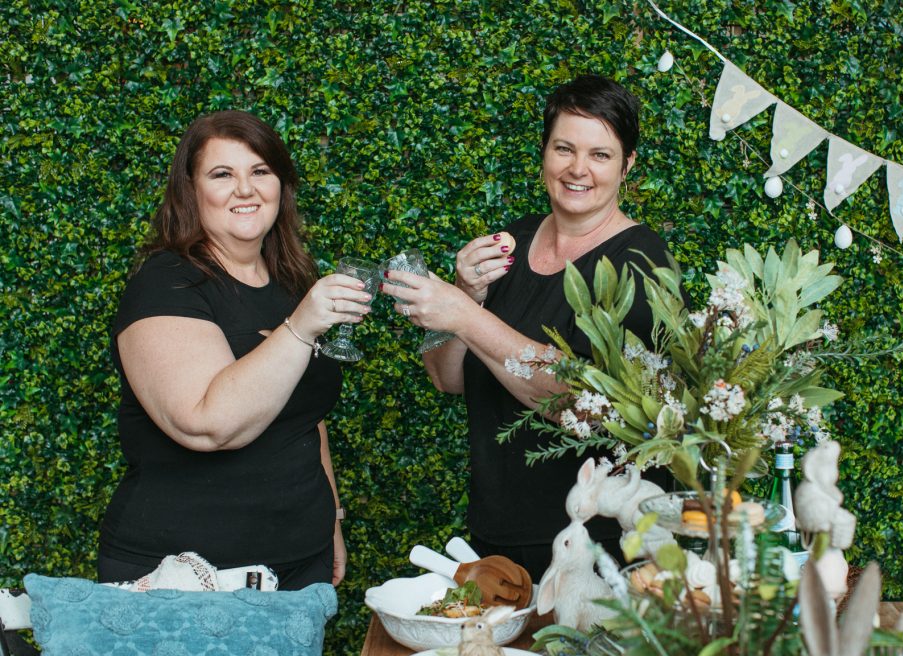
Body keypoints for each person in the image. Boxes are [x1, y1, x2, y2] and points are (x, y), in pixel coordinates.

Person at [381, 75, 674, 581]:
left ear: (628, 165)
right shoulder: (509, 244)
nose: (578, 169)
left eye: (600, 155)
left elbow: (581, 398)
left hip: (601, 540)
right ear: (544, 153)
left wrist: (467, 314)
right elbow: (446, 377)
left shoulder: (642, 262)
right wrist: (467, 294)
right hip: (500, 531)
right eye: (564, 148)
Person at [98, 111, 370, 589]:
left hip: (299, 563)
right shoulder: (166, 284)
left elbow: (306, 416)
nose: (245, 190)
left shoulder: (290, 283)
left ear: (281, 186)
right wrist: (300, 329)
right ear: (191, 190)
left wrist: (331, 520)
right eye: (222, 174)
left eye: (259, 171)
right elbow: (208, 425)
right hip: (187, 575)